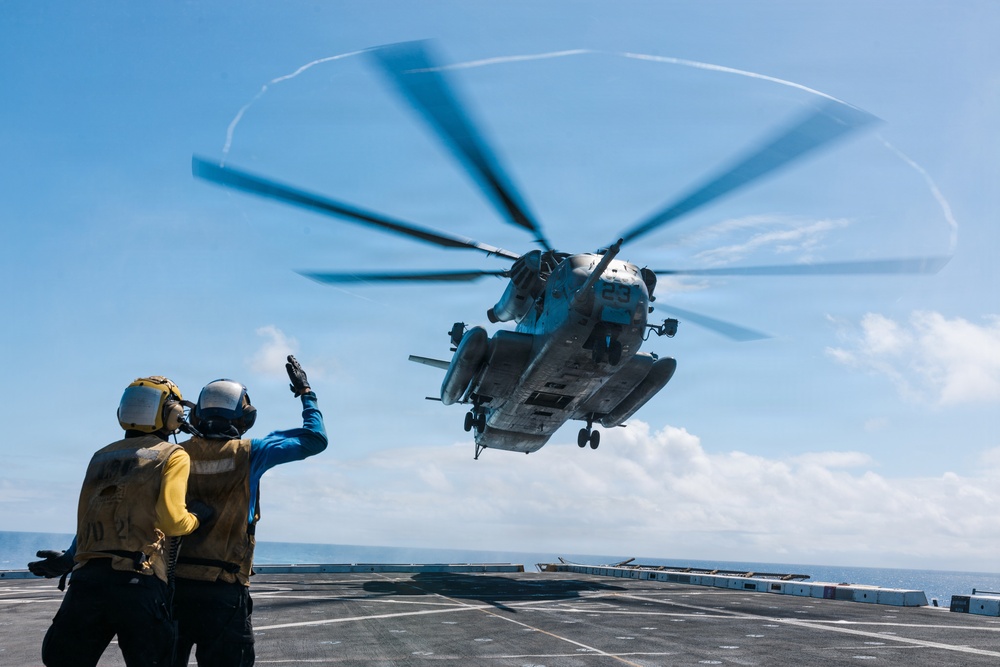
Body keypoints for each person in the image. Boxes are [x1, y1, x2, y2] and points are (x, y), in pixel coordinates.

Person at [37, 376, 208, 667]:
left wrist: (68, 558)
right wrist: (196, 518)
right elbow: (172, 522)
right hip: (137, 583)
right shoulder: (172, 455)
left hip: (86, 582)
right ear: (171, 414)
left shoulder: (102, 455)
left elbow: (97, 515)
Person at [171, 355, 327, 667]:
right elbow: (315, 439)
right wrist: (306, 392)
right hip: (224, 591)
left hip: (174, 589)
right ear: (245, 417)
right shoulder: (252, 453)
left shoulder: (174, 453)